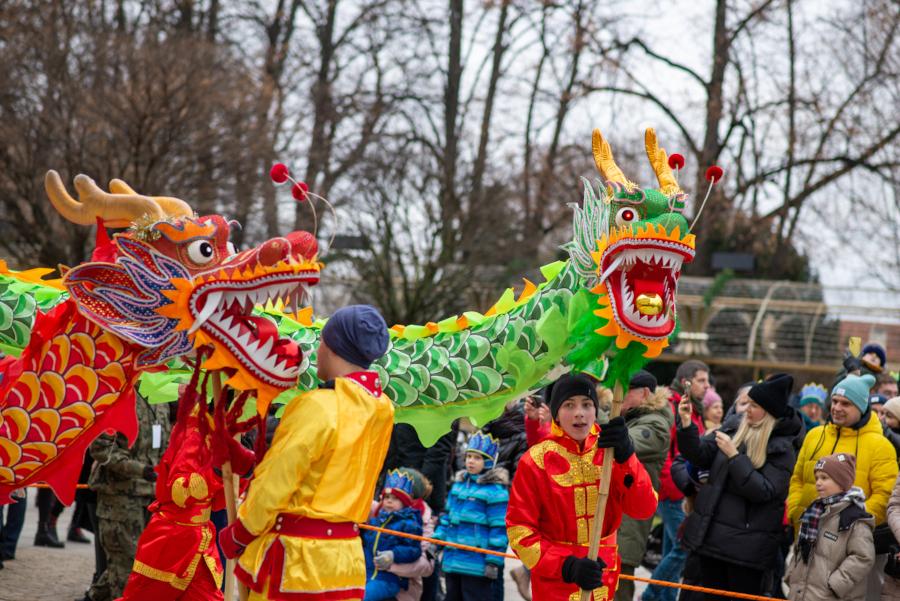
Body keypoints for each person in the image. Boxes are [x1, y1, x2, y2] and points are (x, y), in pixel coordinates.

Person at [219, 304, 394, 601]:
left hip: (296, 563)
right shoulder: (383, 409)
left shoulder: (317, 406)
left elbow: (276, 483)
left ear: (333, 346)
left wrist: (239, 533)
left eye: (323, 341)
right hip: (345, 562)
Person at [507, 373, 657, 600]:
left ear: (595, 410)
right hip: (554, 584)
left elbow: (644, 508)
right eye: (569, 405)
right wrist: (566, 565)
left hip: (603, 580)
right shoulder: (535, 460)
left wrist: (627, 458)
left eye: (587, 404)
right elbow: (520, 532)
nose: (579, 412)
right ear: (555, 412)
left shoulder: (609, 452)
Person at [117, 385, 255, 601]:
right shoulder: (195, 434)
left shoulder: (217, 437)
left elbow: (222, 499)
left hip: (200, 540)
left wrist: (243, 468)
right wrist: (217, 472)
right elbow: (178, 490)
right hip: (171, 541)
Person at [676, 373, 802, 599]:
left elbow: (764, 491)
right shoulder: (733, 427)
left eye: (754, 405)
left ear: (769, 411)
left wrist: (735, 457)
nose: (747, 410)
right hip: (712, 541)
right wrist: (686, 425)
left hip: (747, 551)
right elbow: (698, 454)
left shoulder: (783, 448)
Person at [79, 390, 170, 601]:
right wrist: (139, 469)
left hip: (151, 498)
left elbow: (164, 446)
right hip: (119, 500)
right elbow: (101, 449)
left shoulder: (161, 398)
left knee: (139, 566)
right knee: (125, 569)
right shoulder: (119, 398)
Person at [788, 374, 898, 529]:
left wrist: (853, 521)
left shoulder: (881, 446)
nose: (837, 408)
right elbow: (797, 480)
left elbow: (885, 496)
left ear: (861, 407)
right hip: (805, 536)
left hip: (849, 543)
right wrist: (795, 511)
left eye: (845, 404)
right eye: (834, 401)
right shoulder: (814, 435)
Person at [642, 360, 709, 601]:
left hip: (683, 487)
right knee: (684, 547)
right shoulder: (671, 407)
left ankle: (666, 598)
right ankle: (650, 594)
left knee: (672, 547)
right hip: (673, 488)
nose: (707, 386)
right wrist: (677, 487)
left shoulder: (695, 408)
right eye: (702, 380)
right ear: (686, 382)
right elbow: (666, 452)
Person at [614, 370, 673, 601]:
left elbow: (621, 443)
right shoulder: (631, 417)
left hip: (626, 526)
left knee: (618, 590)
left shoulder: (656, 424)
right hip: (613, 522)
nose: (618, 396)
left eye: (626, 391)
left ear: (646, 393)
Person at [785, 453, 874, 601]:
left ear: (842, 481)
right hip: (802, 593)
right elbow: (800, 548)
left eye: (824, 478)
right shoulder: (813, 511)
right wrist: (791, 574)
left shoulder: (854, 518)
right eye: (817, 478)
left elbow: (863, 557)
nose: (818, 483)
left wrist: (835, 584)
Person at [435, 431, 509, 600]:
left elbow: (499, 529)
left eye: (477, 458)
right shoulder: (458, 486)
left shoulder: (495, 492)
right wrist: (437, 541)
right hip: (452, 559)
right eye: (468, 456)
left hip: (476, 564)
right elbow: (446, 517)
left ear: (489, 462)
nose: (470, 461)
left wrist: (493, 560)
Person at [362, 470, 424, 601]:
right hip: (367, 573)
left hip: (388, 579)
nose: (389, 501)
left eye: (395, 498)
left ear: (404, 503)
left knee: (364, 597)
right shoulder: (375, 521)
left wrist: (393, 555)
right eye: (387, 497)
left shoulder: (409, 523)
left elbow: (414, 550)